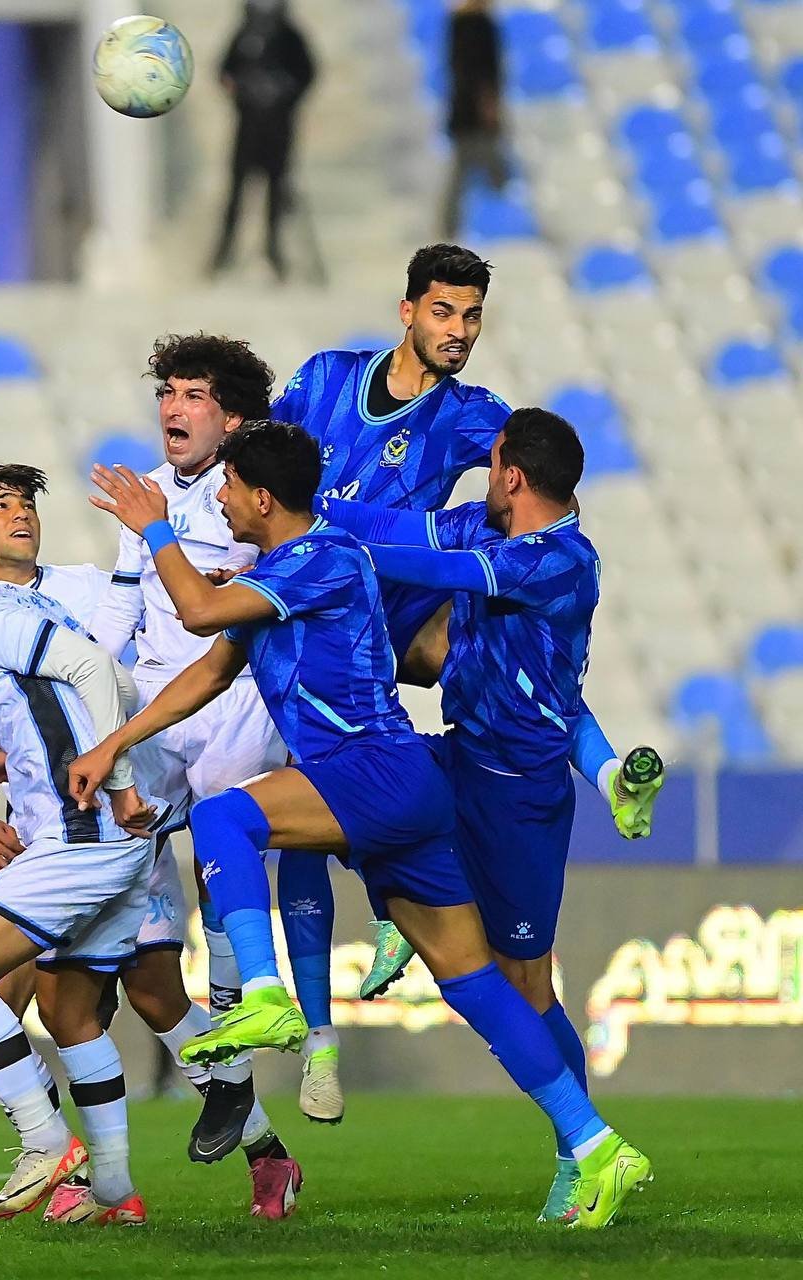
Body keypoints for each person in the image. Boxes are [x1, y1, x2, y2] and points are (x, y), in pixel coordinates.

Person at [70, 420, 654, 1230]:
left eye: (229, 488)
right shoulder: (288, 568)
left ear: (262, 496)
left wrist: (154, 527)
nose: (222, 501)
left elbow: (198, 612)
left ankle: (270, 996)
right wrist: (114, 742)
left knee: (224, 819)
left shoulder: (314, 560)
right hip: (408, 784)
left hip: (370, 774)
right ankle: (596, 1146)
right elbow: (210, 668)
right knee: (475, 982)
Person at [271, 244, 660, 1124]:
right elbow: (264, 462)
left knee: (510, 669)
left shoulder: (480, 419)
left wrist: (346, 536)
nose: (459, 331)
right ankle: (339, 991)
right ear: (407, 310)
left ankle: (580, 1139)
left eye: (473, 316)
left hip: (406, 613)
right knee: (341, 795)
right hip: (324, 607)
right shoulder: (325, 378)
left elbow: (514, 500)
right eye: (445, 312)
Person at [319, 409, 661, 1221]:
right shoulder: (485, 521)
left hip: (519, 796)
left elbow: (446, 574)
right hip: (462, 756)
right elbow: (395, 523)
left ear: (511, 474)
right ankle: (400, 901)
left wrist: (333, 554)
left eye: (492, 461)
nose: (482, 471)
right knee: (342, 794)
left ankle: (583, 1155)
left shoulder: (562, 560)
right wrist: (311, 507)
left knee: (527, 988)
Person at [90, 334, 303, 1216]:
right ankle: (251, 1130)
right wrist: (82, 722)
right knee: (136, 952)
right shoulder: (148, 493)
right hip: (155, 716)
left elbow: (253, 596)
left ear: (235, 414)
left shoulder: (257, 494)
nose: (174, 408)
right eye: (168, 392)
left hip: (235, 699)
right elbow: (114, 615)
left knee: (223, 884)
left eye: (194, 395)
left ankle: (217, 1085)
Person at [0, 494, 156, 1226]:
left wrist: (118, 779)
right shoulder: (27, 610)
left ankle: (45, 1141)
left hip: (81, 833)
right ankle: (113, 1190)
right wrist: (23, 754)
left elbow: (92, 673)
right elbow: (121, 679)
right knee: (71, 1011)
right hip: (113, 835)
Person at [209, 0, 315, 280]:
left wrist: (281, 94)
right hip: (247, 128)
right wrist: (243, 91)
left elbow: (307, 74)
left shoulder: (291, 37)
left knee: (276, 195)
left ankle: (275, 254)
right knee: (236, 195)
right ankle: (223, 256)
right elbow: (223, 71)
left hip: (278, 130)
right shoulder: (244, 35)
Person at [441, 0, 506, 239]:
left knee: (467, 172)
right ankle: (458, 226)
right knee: (488, 171)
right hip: (472, 113)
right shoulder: (472, 24)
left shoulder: (464, 22)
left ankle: (455, 226)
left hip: (467, 110)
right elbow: (477, 70)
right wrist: (487, 105)